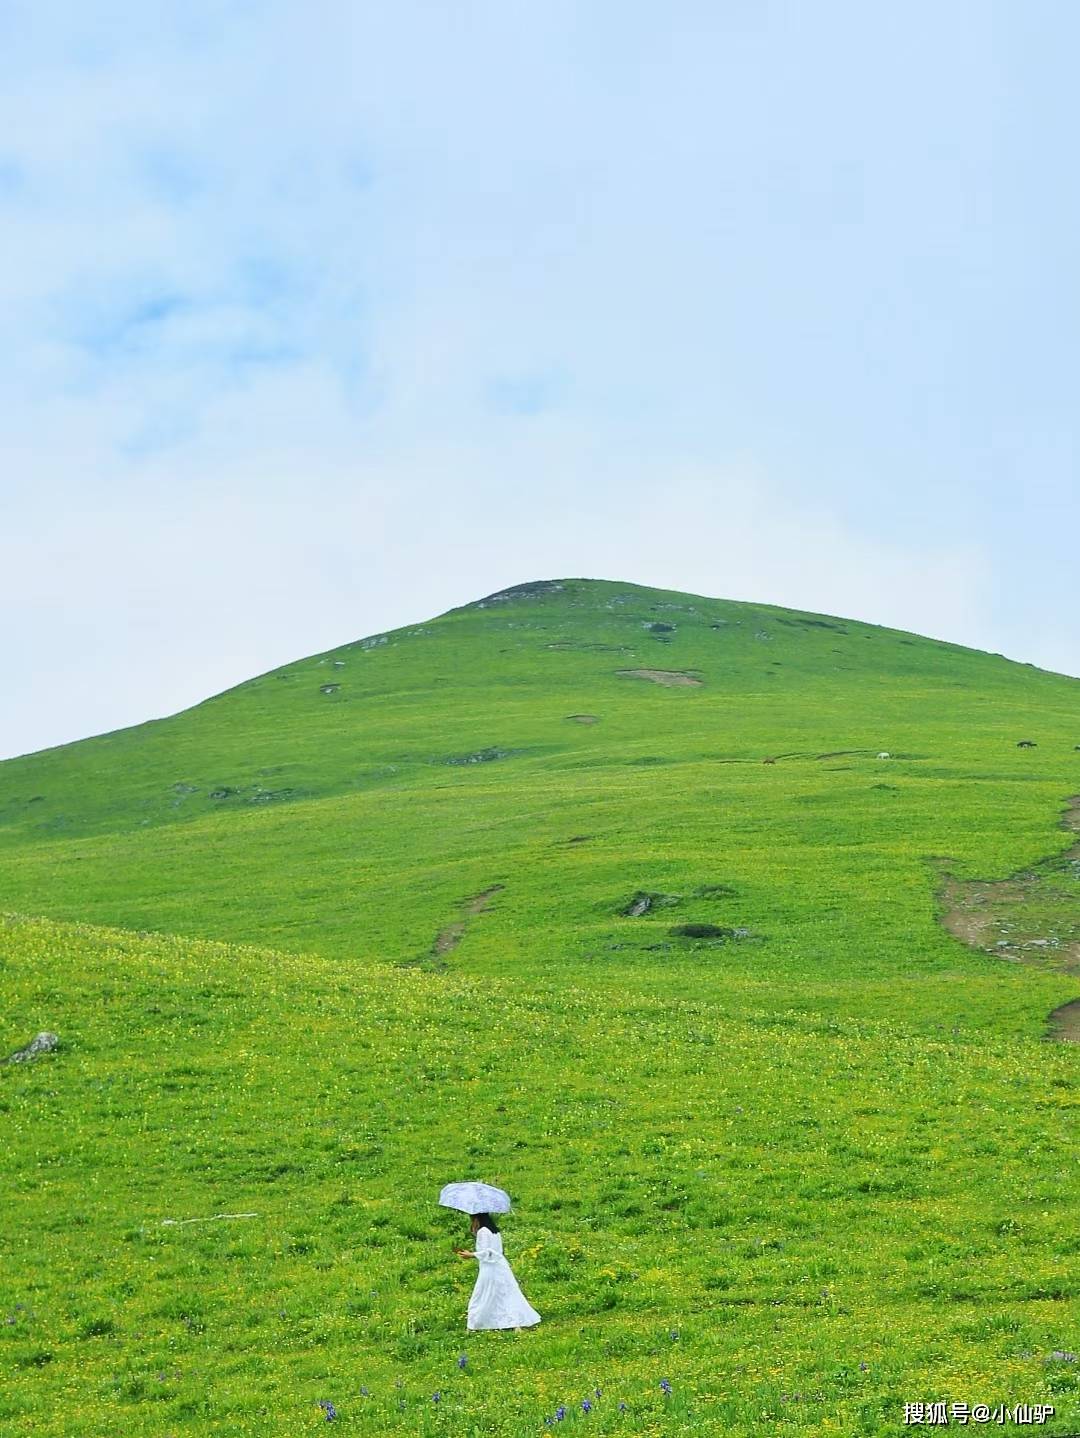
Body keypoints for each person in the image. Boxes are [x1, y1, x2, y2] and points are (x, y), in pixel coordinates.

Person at [456, 1212, 541, 1330]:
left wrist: (471, 1254)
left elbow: (488, 1252)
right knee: (507, 1294)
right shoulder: (494, 1231)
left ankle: (475, 1324)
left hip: (490, 1268)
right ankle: (515, 1323)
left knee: (482, 1294)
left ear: (476, 1218)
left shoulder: (483, 1231)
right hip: (500, 1266)